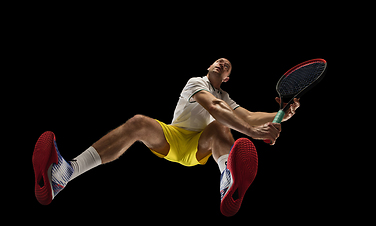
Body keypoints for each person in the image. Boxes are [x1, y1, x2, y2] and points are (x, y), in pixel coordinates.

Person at [32, 58, 300, 216]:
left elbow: (250, 116)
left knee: (220, 127)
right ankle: (65, 173)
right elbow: (217, 109)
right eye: (219, 61)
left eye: (227, 65)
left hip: (200, 145)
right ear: (209, 67)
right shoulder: (197, 82)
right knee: (138, 122)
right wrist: (253, 132)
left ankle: (227, 181)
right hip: (174, 138)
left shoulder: (226, 97)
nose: (222, 63)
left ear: (228, 78)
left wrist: (279, 115)